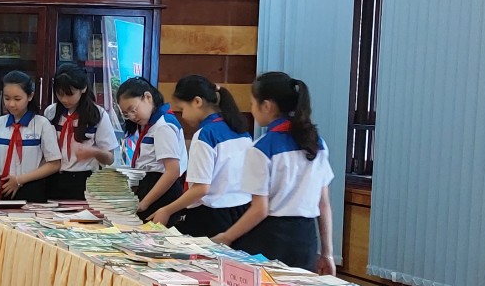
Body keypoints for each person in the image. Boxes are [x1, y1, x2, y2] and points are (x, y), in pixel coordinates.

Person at [212, 72, 336, 274]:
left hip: (272, 238)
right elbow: (324, 204)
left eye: (252, 104)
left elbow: (260, 210)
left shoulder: (262, 148)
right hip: (306, 239)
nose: (252, 110)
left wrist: (226, 237)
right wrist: (327, 253)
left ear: (266, 106)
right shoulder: (317, 143)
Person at [149, 75, 252, 237]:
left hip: (211, 217)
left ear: (197, 102)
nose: (183, 116)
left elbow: (201, 188)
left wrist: (166, 210)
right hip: (241, 212)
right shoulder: (241, 130)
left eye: (183, 109)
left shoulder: (205, 134)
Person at [43, 64, 118, 200]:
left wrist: (94, 152)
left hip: (84, 179)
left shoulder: (98, 114)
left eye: (70, 94)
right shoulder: (51, 112)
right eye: (60, 94)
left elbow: (110, 159)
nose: (64, 99)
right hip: (53, 177)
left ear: (83, 88)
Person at [116, 77, 187, 221]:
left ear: (148, 97)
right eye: (126, 114)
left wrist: (144, 203)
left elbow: (172, 171)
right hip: (150, 186)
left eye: (133, 109)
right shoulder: (150, 124)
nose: (132, 117)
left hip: (161, 192)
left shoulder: (163, 126)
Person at [0, 71, 61, 203]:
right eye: (7, 98)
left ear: (30, 96)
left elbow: (54, 164)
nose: (11, 104)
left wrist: (19, 180)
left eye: (17, 99)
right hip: (2, 186)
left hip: (31, 187)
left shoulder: (41, 124)